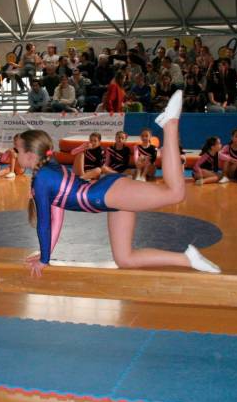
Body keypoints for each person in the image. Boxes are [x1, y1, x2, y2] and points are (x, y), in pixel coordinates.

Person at [19, 90, 220, 277]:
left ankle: (170, 124)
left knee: (175, 193)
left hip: (109, 192)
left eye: (17, 150)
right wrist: (46, 255)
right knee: (125, 259)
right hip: (108, 200)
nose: (14, 154)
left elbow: (45, 224)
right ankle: (188, 259)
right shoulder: (45, 171)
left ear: (29, 155)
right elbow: (55, 218)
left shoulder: (42, 178)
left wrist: (45, 259)